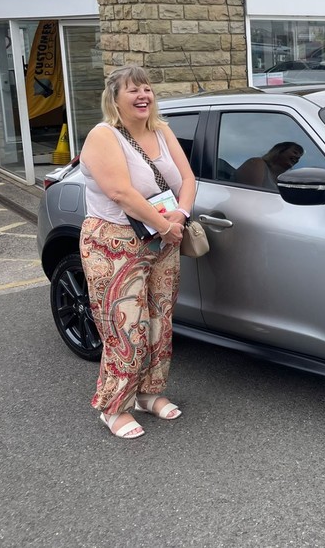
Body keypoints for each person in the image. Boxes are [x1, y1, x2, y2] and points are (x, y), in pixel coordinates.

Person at [78, 65, 196, 439]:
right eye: (133, 90)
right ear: (115, 99)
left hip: (164, 239)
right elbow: (120, 193)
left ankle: (149, 393)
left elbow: (188, 179)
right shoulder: (103, 135)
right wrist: (166, 226)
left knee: (161, 320)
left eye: (146, 88)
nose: (143, 95)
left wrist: (180, 213)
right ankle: (114, 407)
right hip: (113, 242)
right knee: (125, 326)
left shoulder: (161, 130)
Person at [236, 141, 304, 190]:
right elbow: (251, 196)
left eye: (299, 157)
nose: (297, 157)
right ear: (280, 151)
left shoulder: (282, 182)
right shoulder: (256, 163)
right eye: (295, 152)